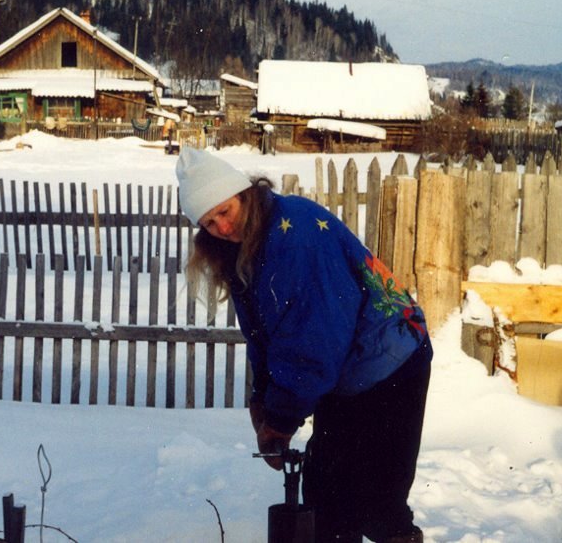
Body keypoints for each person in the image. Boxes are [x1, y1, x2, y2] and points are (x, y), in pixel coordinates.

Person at [175, 147, 432, 543]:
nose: (222, 228)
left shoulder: (293, 242)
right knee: (328, 490)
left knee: (377, 498)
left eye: (224, 212)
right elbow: (267, 334)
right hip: (348, 365)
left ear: (243, 195)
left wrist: (280, 420)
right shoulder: (248, 248)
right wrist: (262, 398)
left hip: (391, 357)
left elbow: (310, 347)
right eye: (209, 223)